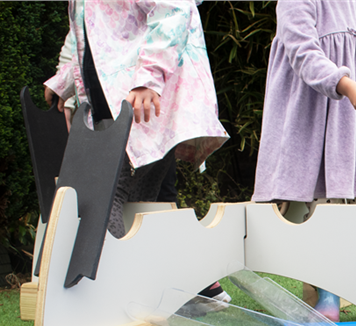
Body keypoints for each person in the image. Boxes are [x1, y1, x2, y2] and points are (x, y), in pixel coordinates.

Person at [44, 0, 230, 303]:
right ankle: (184, 287)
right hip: (117, 99)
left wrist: (148, 79)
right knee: (143, 201)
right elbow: (88, 28)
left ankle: (119, 294)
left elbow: (174, 8)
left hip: (139, 100)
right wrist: (65, 80)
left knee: (105, 199)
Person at [252, 0, 356, 321]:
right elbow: (303, 54)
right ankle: (325, 295)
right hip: (309, 121)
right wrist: (346, 84)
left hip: (349, 121)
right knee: (319, 209)